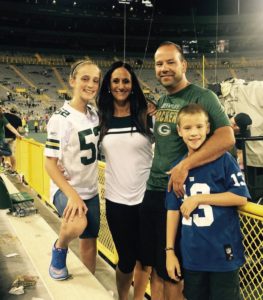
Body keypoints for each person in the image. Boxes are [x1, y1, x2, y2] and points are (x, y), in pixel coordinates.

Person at [139, 41, 235, 300]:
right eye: (159, 64)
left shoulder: (203, 97)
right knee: (155, 266)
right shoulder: (162, 99)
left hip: (179, 192)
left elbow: (226, 138)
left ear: (184, 65)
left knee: (175, 272)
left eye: (171, 62)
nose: (164, 68)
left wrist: (184, 166)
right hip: (154, 191)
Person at [166, 103, 250, 300]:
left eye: (199, 127)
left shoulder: (224, 161)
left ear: (208, 129)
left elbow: (240, 196)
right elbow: (172, 211)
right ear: (179, 131)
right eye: (187, 128)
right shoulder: (177, 169)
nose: (194, 133)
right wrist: (170, 251)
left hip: (222, 254)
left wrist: (198, 198)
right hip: (193, 255)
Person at [97, 61, 153, 300]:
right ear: (109, 85)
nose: (121, 85)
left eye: (126, 81)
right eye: (116, 81)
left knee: (145, 259)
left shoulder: (147, 113)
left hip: (147, 198)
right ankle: (123, 298)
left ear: (133, 85)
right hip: (116, 200)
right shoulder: (101, 117)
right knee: (126, 259)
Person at [44, 60, 101, 280]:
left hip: (91, 189)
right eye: (85, 79)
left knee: (90, 240)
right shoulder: (61, 119)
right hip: (68, 189)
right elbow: (50, 163)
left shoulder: (95, 114)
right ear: (72, 81)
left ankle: (92, 288)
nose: (90, 84)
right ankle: (60, 247)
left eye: (95, 80)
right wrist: (72, 195)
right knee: (78, 224)